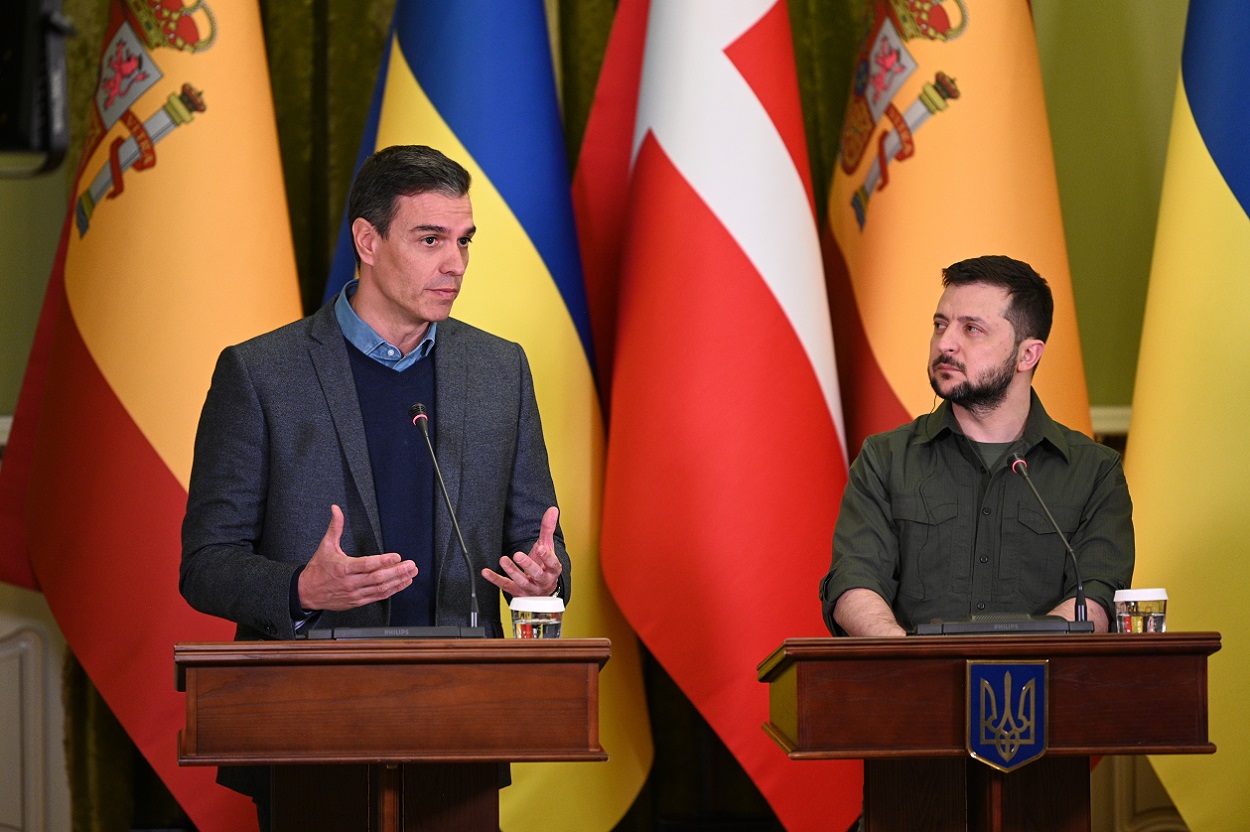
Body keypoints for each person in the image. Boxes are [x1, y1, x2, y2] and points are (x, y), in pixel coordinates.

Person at [180, 145, 569, 816]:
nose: (456, 264)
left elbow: (539, 558)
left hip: (462, 729)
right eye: (430, 240)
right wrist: (301, 588)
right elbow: (206, 565)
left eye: (464, 242)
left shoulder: (501, 370)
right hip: (305, 730)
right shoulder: (260, 374)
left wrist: (543, 593)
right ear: (367, 239)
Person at [820, 255, 1133, 637]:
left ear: (1027, 354)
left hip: (1047, 691)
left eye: (972, 329)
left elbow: (1096, 602)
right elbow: (855, 583)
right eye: (940, 325)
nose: (945, 343)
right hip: (913, 688)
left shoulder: (1094, 472)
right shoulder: (884, 460)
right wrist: (913, 663)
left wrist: (1012, 672)